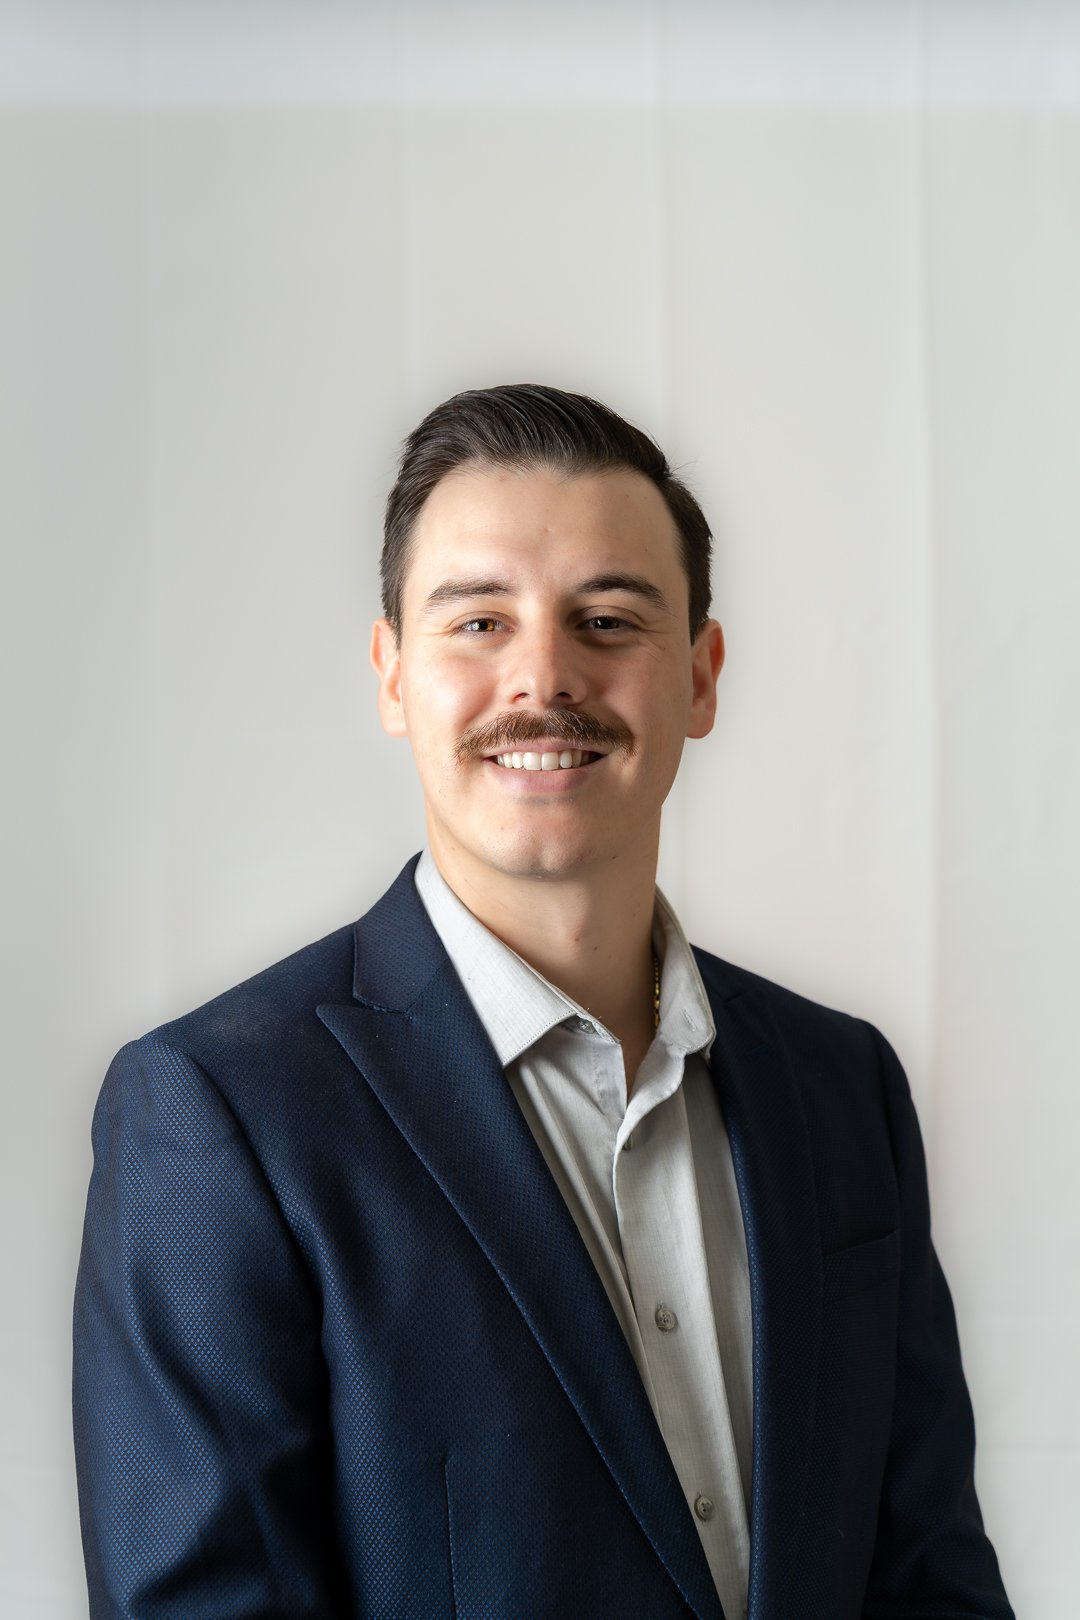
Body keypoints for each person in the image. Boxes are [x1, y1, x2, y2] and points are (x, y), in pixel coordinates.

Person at [73, 385, 1014, 1619]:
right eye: (478, 622)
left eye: (608, 619)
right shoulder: (219, 1114)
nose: (543, 677)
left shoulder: (844, 1089)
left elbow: (932, 1576)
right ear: (393, 674)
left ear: (701, 677)